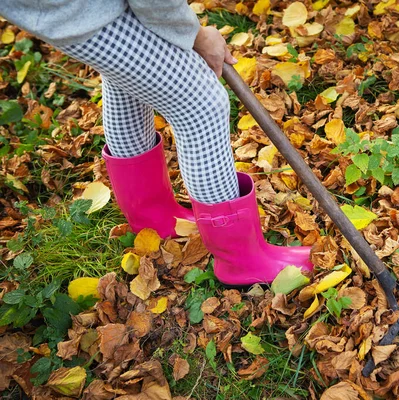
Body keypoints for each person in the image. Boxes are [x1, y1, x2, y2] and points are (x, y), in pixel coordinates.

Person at [0, 1, 313, 285]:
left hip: (66, 8)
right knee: (201, 104)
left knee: (127, 81)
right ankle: (241, 260)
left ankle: (155, 219)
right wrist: (195, 35)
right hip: (78, 10)